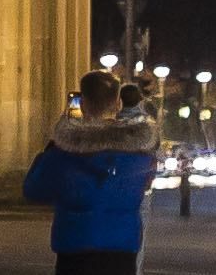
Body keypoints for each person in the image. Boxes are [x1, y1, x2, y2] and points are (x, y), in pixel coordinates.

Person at [19, 71, 156, 275]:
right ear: (118, 104)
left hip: (75, 250)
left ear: (81, 104)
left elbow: (33, 189)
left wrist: (53, 146)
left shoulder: (63, 154)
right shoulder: (139, 155)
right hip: (122, 250)